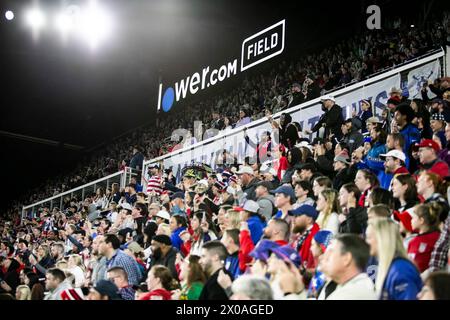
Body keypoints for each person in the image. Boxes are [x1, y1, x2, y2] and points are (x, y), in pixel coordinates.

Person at [366, 218, 423, 300]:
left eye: (369, 237)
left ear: (382, 238)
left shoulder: (401, 269)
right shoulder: (389, 266)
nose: (366, 241)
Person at [318, 234, 376, 300]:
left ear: (346, 259)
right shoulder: (352, 287)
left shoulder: (353, 294)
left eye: (330, 252)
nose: (321, 257)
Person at [408, 203, 441, 273]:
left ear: (421, 220)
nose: (411, 220)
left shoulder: (437, 238)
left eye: (413, 218)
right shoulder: (412, 241)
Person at [289, 205, 320, 270]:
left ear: (309, 220)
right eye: (294, 216)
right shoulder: (300, 237)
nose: (293, 220)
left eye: (297, 216)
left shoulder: (316, 238)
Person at [308, 230, 333, 298]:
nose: (310, 248)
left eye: (312, 245)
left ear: (321, 246)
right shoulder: (322, 267)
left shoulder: (324, 270)